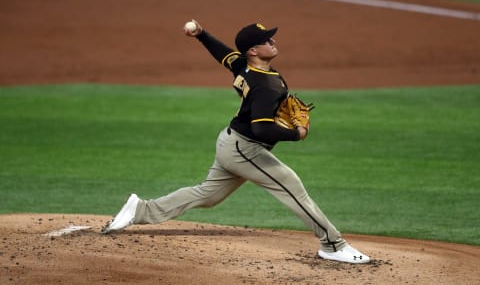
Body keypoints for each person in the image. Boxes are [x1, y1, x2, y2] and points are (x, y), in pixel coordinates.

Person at [101, 20, 370, 264]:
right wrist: (297, 134)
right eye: (267, 40)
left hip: (231, 143)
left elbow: (224, 55)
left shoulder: (245, 66)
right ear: (253, 51)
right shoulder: (266, 87)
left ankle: (140, 209)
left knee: (207, 195)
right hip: (245, 149)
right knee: (291, 186)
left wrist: (201, 34)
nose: (273, 42)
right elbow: (262, 129)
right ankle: (333, 244)